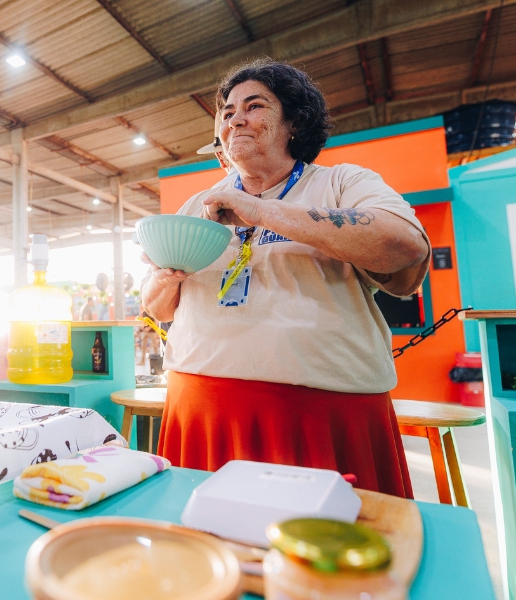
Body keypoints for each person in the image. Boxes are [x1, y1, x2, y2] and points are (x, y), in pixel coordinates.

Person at [141, 59, 430, 499]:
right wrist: (166, 277)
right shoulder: (199, 204)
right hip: (200, 405)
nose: (235, 117)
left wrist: (259, 210)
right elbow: (158, 308)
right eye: (227, 111)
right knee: (206, 554)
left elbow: (404, 247)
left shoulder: (341, 182)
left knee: (326, 554)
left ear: (295, 121)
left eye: (254, 106)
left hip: (321, 412)